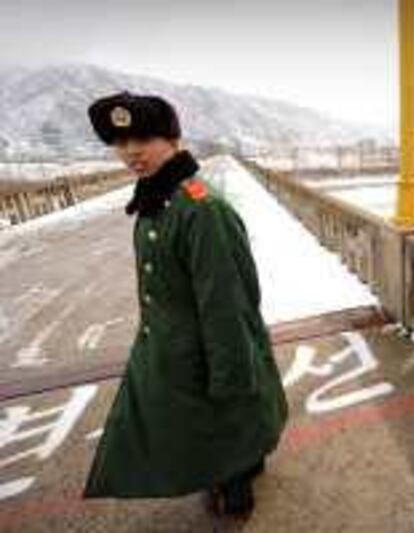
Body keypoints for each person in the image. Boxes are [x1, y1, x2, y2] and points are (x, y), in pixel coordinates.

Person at [82, 91, 288, 517]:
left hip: (204, 347)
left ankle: (238, 480)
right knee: (175, 425)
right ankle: (234, 466)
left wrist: (231, 376)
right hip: (170, 347)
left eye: (143, 138)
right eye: (121, 143)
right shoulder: (158, 199)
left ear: (173, 140)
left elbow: (226, 305)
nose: (131, 152)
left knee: (226, 417)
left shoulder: (200, 208)